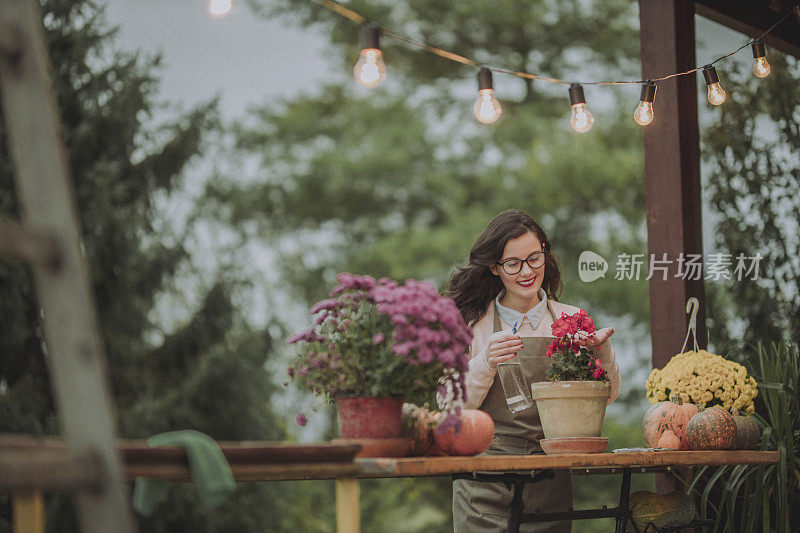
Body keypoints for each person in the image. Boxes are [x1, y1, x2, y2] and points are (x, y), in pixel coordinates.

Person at [445, 210, 621, 532]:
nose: (527, 271)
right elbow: (450, 407)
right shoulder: (471, 323)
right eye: (513, 263)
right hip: (482, 484)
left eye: (534, 258)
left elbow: (608, 396)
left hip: (551, 481)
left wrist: (600, 351)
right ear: (494, 267)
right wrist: (486, 361)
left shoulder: (572, 320)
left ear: (544, 251)